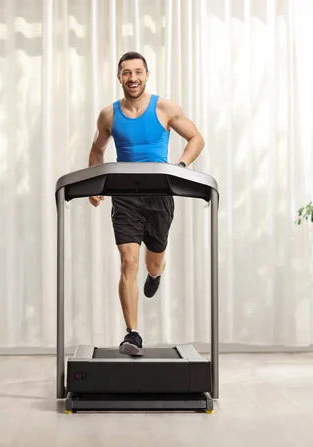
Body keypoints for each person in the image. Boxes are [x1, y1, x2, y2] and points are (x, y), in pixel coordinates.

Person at [87, 51, 205, 356]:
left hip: (159, 196)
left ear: (147, 75)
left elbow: (196, 139)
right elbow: (97, 149)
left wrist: (179, 167)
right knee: (128, 262)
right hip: (124, 196)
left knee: (152, 262)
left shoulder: (165, 108)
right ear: (119, 78)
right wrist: (95, 183)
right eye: (126, 73)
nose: (133, 78)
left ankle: (157, 273)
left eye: (138, 72)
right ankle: (133, 334)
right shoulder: (108, 115)